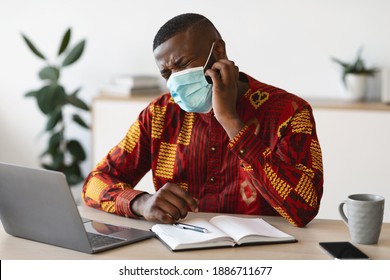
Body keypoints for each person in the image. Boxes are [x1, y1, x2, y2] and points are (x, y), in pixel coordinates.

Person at [82, 13, 323, 227]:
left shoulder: (288, 111)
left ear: (218, 51)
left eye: (182, 64)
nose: (175, 79)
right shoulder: (160, 114)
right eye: (167, 74)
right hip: (181, 252)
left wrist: (230, 121)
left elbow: (304, 208)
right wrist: (141, 202)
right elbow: (93, 185)